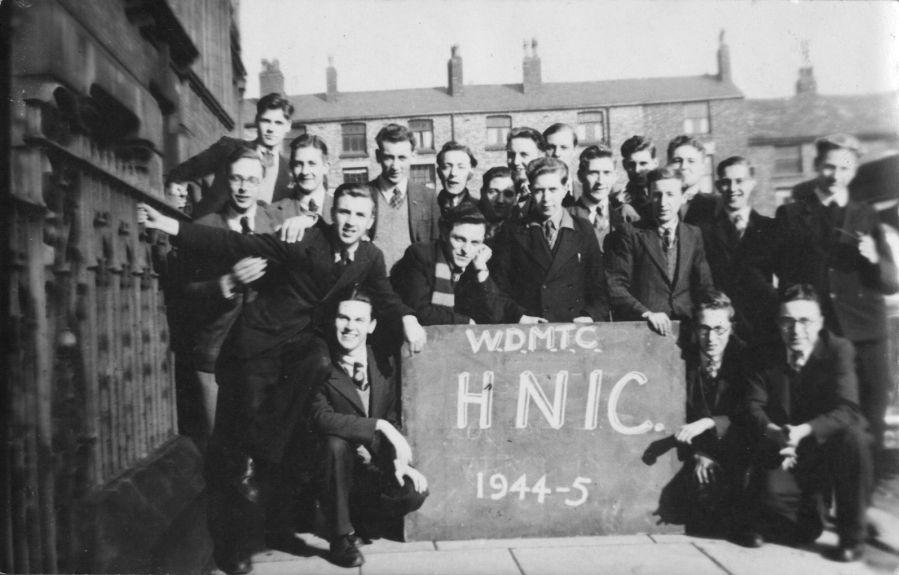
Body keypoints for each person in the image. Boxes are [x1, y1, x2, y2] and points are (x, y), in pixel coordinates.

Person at [137, 183, 427, 574]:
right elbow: (235, 245)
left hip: (301, 349)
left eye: (359, 215)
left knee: (317, 368)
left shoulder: (370, 257)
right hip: (256, 348)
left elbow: (386, 298)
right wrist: (173, 227)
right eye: (343, 212)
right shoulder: (304, 238)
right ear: (332, 212)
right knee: (231, 451)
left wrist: (407, 318)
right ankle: (231, 546)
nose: (350, 222)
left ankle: (265, 465)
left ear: (371, 221)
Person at [775, 134, 898, 455]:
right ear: (816, 166)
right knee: (824, 408)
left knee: (872, 408)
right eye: (829, 167)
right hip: (820, 332)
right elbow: (785, 276)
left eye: (844, 168)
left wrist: (873, 256)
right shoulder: (792, 214)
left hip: (866, 331)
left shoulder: (866, 214)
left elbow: (890, 283)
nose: (835, 175)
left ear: (854, 171)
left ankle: (872, 482)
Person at [737, 285, 871, 563]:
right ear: (778, 323)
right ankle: (771, 515)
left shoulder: (838, 350)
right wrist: (775, 432)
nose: (795, 330)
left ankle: (852, 536)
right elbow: (752, 405)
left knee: (854, 437)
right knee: (798, 530)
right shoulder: (765, 353)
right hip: (780, 445)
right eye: (787, 321)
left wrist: (804, 431)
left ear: (820, 322)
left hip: (823, 445)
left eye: (805, 321)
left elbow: (847, 409)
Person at [311, 287, 429, 567]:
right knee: (334, 443)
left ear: (372, 325)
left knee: (413, 491)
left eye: (359, 321)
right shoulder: (319, 362)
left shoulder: (383, 361)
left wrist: (399, 460)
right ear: (333, 321)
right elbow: (320, 417)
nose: (350, 327)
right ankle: (340, 537)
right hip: (332, 465)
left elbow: (394, 414)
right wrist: (378, 427)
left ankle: (360, 520)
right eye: (343, 319)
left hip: (372, 463)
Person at [173, 147, 277, 451]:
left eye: (251, 181)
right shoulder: (203, 227)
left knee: (262, 446)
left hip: (263, 357)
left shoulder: (276, 224)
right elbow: (183, 292)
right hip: (214, 355)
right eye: (236, 179)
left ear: (261, 182)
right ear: (225, 180)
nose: (244, 188)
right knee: (217, 449)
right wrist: (227, 282)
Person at [490, 157, 609, 323]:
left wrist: (589, 316)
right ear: (530, 189)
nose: (546, 199)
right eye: (539, 190)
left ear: (565, 188)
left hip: (574, 331)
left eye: (553, 189)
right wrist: (518, 316)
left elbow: (599, 288)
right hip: (530, 331)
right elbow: (498, 288)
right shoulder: (513, 231)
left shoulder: (583, 229)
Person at [669, 291, 749, 536]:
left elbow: (748, 416)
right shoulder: (681, 360)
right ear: (695, 330)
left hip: (736, 449)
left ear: (732, 329)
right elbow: (675, 413)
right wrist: (699, 451)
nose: (711, 338)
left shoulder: (746, 360)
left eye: (719, 329)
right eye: (704, 329)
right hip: (693, 451)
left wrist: (707, 423)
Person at [605, 165, 714, 335]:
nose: (663, 202)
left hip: (686, 330)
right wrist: (646, 313)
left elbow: (705, 286)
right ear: (648, 195)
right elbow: (615, 285)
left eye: (670, 194)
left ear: (683, 197)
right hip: (645, 329)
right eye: (657, 195)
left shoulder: (693, 235)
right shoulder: (630, 233)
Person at [168, 93, 295, 218]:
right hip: (214, 230)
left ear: (288, 126)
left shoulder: (291, 171)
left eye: (278, 123)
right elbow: (183, 171)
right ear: (256, 120)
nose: (271, 129)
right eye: (266, 121)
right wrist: (175, 186)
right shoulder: (229, 148)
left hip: (259, 236)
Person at [700, 156, 778, 352]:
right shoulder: (702, 232)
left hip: (761, 328)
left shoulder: (771, 229)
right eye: (726, 182)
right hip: (719, 331)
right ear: (718, 186)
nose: (733, 189)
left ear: (752, 183)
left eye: (740, 181)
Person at [391, 203, 507, 325]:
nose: (466, 250)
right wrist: (466, 322)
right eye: (459, 239)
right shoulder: (421, 255)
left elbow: (497, 315)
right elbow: (418, 310)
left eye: (475, 242)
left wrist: (481, 269)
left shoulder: (477, 262)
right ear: (445, 234)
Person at [368, 123, 442, 271]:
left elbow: (436, 246)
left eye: (402, 157)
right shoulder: (364, 194)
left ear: (413, 156)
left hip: (413, 283)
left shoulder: (428, 197)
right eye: (389, 157)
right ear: (378, 156)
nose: (395, 166)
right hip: (373, 284)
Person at [569, 144, 630, 251]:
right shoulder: (567, 216)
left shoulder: (626, 216)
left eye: (606, 173)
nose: (600, 181)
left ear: (615, 176)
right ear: (580, 175)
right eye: (593, 173)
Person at [266, 134, 333, 226]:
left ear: (325, 167)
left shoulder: (342, 209)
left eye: (311, 163)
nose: (305, 172)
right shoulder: (272, 213)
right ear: (291, 168)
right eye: (298, 164)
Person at [667, 135, 718, 226]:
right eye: (677, 161)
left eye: (691, 161)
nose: (683, 167)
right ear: (668, 164)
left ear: (702, 167)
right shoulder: (655, 205)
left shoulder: (716, 205)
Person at [618, 135, 659, 222]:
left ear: (655, 163)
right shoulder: (623, 199)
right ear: (624, 165)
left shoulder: (670, 192)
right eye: (631, 165)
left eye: (643, 163)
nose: (637, 170)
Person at [506, 127, 546, 208]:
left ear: (541, 155)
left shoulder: (552, 193)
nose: (516, 162)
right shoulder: (504, 191)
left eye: (524, 154)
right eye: (511, 155)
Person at [436, 141, 478, 216]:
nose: (453, 173)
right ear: (439, 172)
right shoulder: (429, 207)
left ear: (471, 171)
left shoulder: (480, 208)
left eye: (461, 167)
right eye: (447, 167)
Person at [543, 123, 582, 204]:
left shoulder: (585, 193)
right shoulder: (529, 194)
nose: (557, 153)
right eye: (550, 147)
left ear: (575, 151)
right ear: (543, 150)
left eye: (564, 147)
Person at [477, 166, 517, 240]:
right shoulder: (468, 224)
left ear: (516, 198)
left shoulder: (521, 232)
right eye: (493, 192)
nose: (500, 200)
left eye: (508, 194)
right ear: (482, 193)